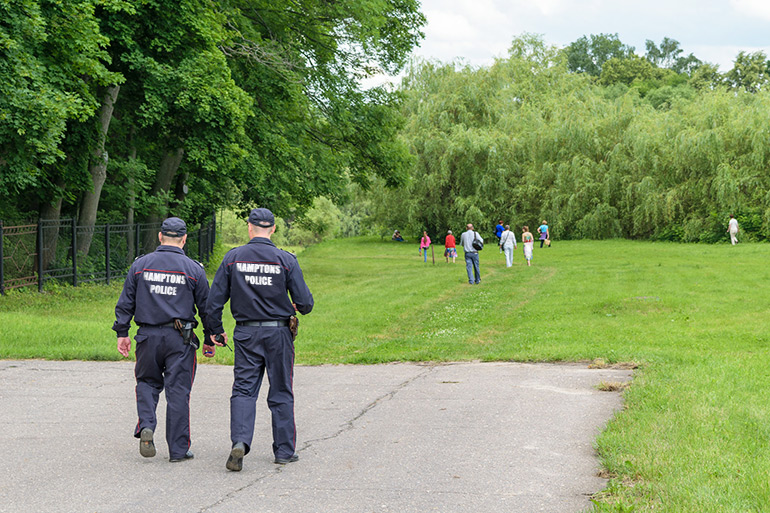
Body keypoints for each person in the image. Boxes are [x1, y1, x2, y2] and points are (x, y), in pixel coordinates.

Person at [206, 208, 314, 472]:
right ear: (273, 229)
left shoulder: (233, 258)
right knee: (281, 390)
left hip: (246, 332)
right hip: (279, 334)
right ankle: (284, 451)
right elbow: (306, 303)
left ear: (249, 227)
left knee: (243, 389)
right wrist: (291, 304)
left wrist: (215, 330)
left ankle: (240, 442)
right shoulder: (285, 259)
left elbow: (214, 302)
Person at [113, 217, 212, 463]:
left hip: (147, 336)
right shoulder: (194, 269)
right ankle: (178, 450)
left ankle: (147, 425)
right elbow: (207, 308)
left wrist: (122, 333)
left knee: (146, 382)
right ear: (184, 239)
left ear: (160, 236)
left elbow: (126, 303)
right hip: (180, 338)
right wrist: (211, 336)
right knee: (178, 392)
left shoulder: (140, 266)